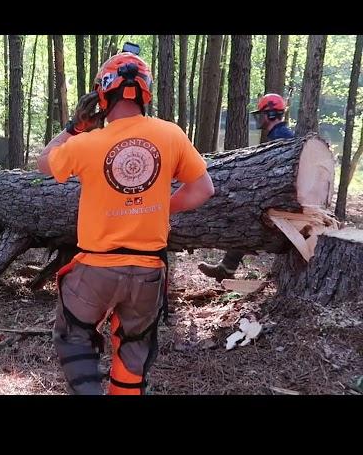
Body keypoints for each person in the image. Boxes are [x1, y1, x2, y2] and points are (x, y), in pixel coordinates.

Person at [37, 46, 214, 395]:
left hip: (95, 269)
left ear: (103, 93)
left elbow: (44, 163)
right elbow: (203, 189)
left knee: (74, 338)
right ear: (146, 92)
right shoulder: (171, 134)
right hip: (148, 271)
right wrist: (158, 207)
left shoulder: (87, 142)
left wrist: (75, 127)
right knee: (133, 351)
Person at [198, 93, 295, 282]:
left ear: (271, 114)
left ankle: (226, 268)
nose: (260, 119)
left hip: (283, 203)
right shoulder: (280, 135)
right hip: (279, 199)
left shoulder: (281, 138)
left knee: (244, 216)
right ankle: (226, 267)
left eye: (262, 114)